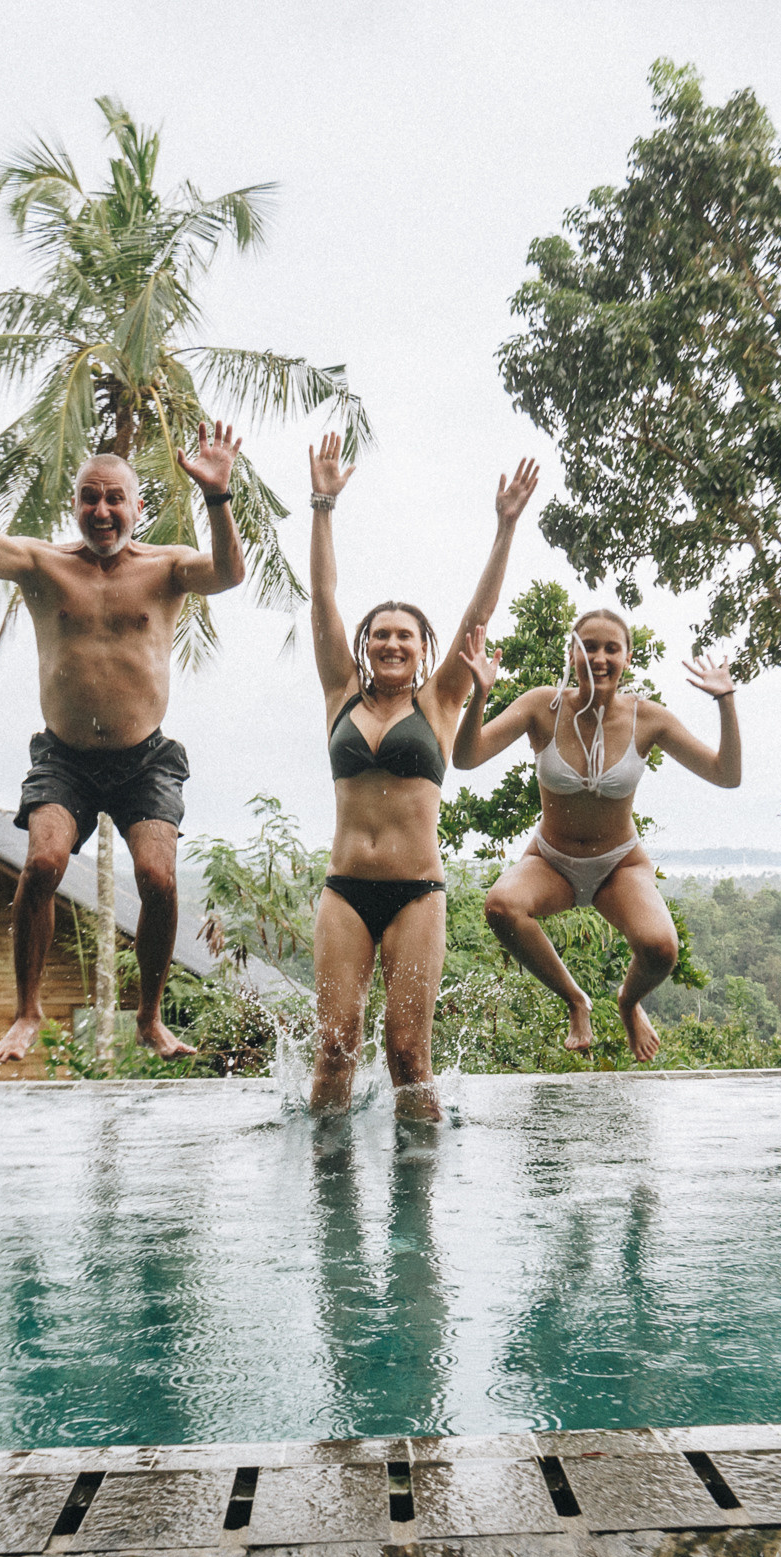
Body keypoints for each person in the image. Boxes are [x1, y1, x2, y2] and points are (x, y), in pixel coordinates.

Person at [0, 392, 247, 1063]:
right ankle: (27, 1011)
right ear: (74, 505)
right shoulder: (45, 565)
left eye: (115, 500)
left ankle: (150, 1017)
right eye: (89, 499)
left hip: (145, 758)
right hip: (64, 756)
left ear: (137, 506)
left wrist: (218, 498)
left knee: (157, 879)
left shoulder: (167, 569)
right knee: (42, 861)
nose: (102, 511)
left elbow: (229, 573)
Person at [305, 435, 535, 1119]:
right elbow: (322, 592)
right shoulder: (339, 692)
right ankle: (330, 1205)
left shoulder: (437, 704)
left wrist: (506, 527)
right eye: (381, 634)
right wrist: (323, 505)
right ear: (364, 646)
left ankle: (417, 1217)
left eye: (406, 636)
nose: (393, 643)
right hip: (345, 892)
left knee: (409, 1053)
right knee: (335, 1048)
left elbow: (479, 616)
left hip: (416, 894)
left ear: (424, 648)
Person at [454, 614, 740, 1060]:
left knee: (661, 949)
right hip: (552, 861)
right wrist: (480, 695)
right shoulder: (541, 706)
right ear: (571, 653)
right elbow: (467, 758)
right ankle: (576, 1000)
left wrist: (725, 700)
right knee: (501, 906)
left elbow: (726, 775)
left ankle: (629, 1003)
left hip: (618, 865)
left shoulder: (649, 719)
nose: (599, 658)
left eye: (611, 648)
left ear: (628, 657)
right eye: (588, 646)